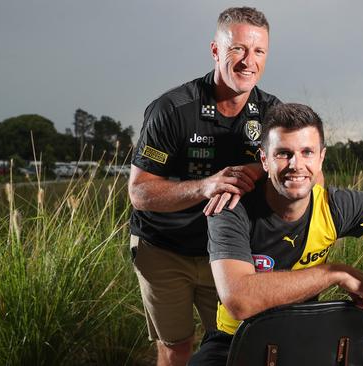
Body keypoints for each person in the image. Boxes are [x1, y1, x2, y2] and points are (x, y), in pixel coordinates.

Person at [189, 103, 363, 365]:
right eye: (283, 153)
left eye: (307, 152)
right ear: (264, 159)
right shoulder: (231, 206)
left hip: (306, 332)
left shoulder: (335, 205)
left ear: (321, 158)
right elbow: (239, 300)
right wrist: (332, 273)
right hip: (237, 338)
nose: (296, 164)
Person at [128, 7, 280, 366]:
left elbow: (306, 175)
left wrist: (258, 170)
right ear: (215, 50)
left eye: (259, 51)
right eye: (238, 49)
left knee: (236, 346)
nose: (249, 61)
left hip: (230, 253)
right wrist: (206, 186)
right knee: (176, 348)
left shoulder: (273, 113)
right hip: (165, 249)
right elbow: (139, 193)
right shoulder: (172, 109)